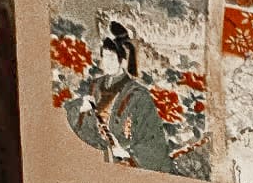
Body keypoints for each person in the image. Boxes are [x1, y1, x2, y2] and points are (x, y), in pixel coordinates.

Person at [66, 20, 173, 174]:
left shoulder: (138, 94)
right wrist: (80, 108)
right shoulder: (96, 86)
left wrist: (129, 153)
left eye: (111, 58)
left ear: (122, 61)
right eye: (104, 57)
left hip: (123, 162)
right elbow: (77, 118)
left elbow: (154, 141)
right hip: (93, 155)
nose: (106, 62)